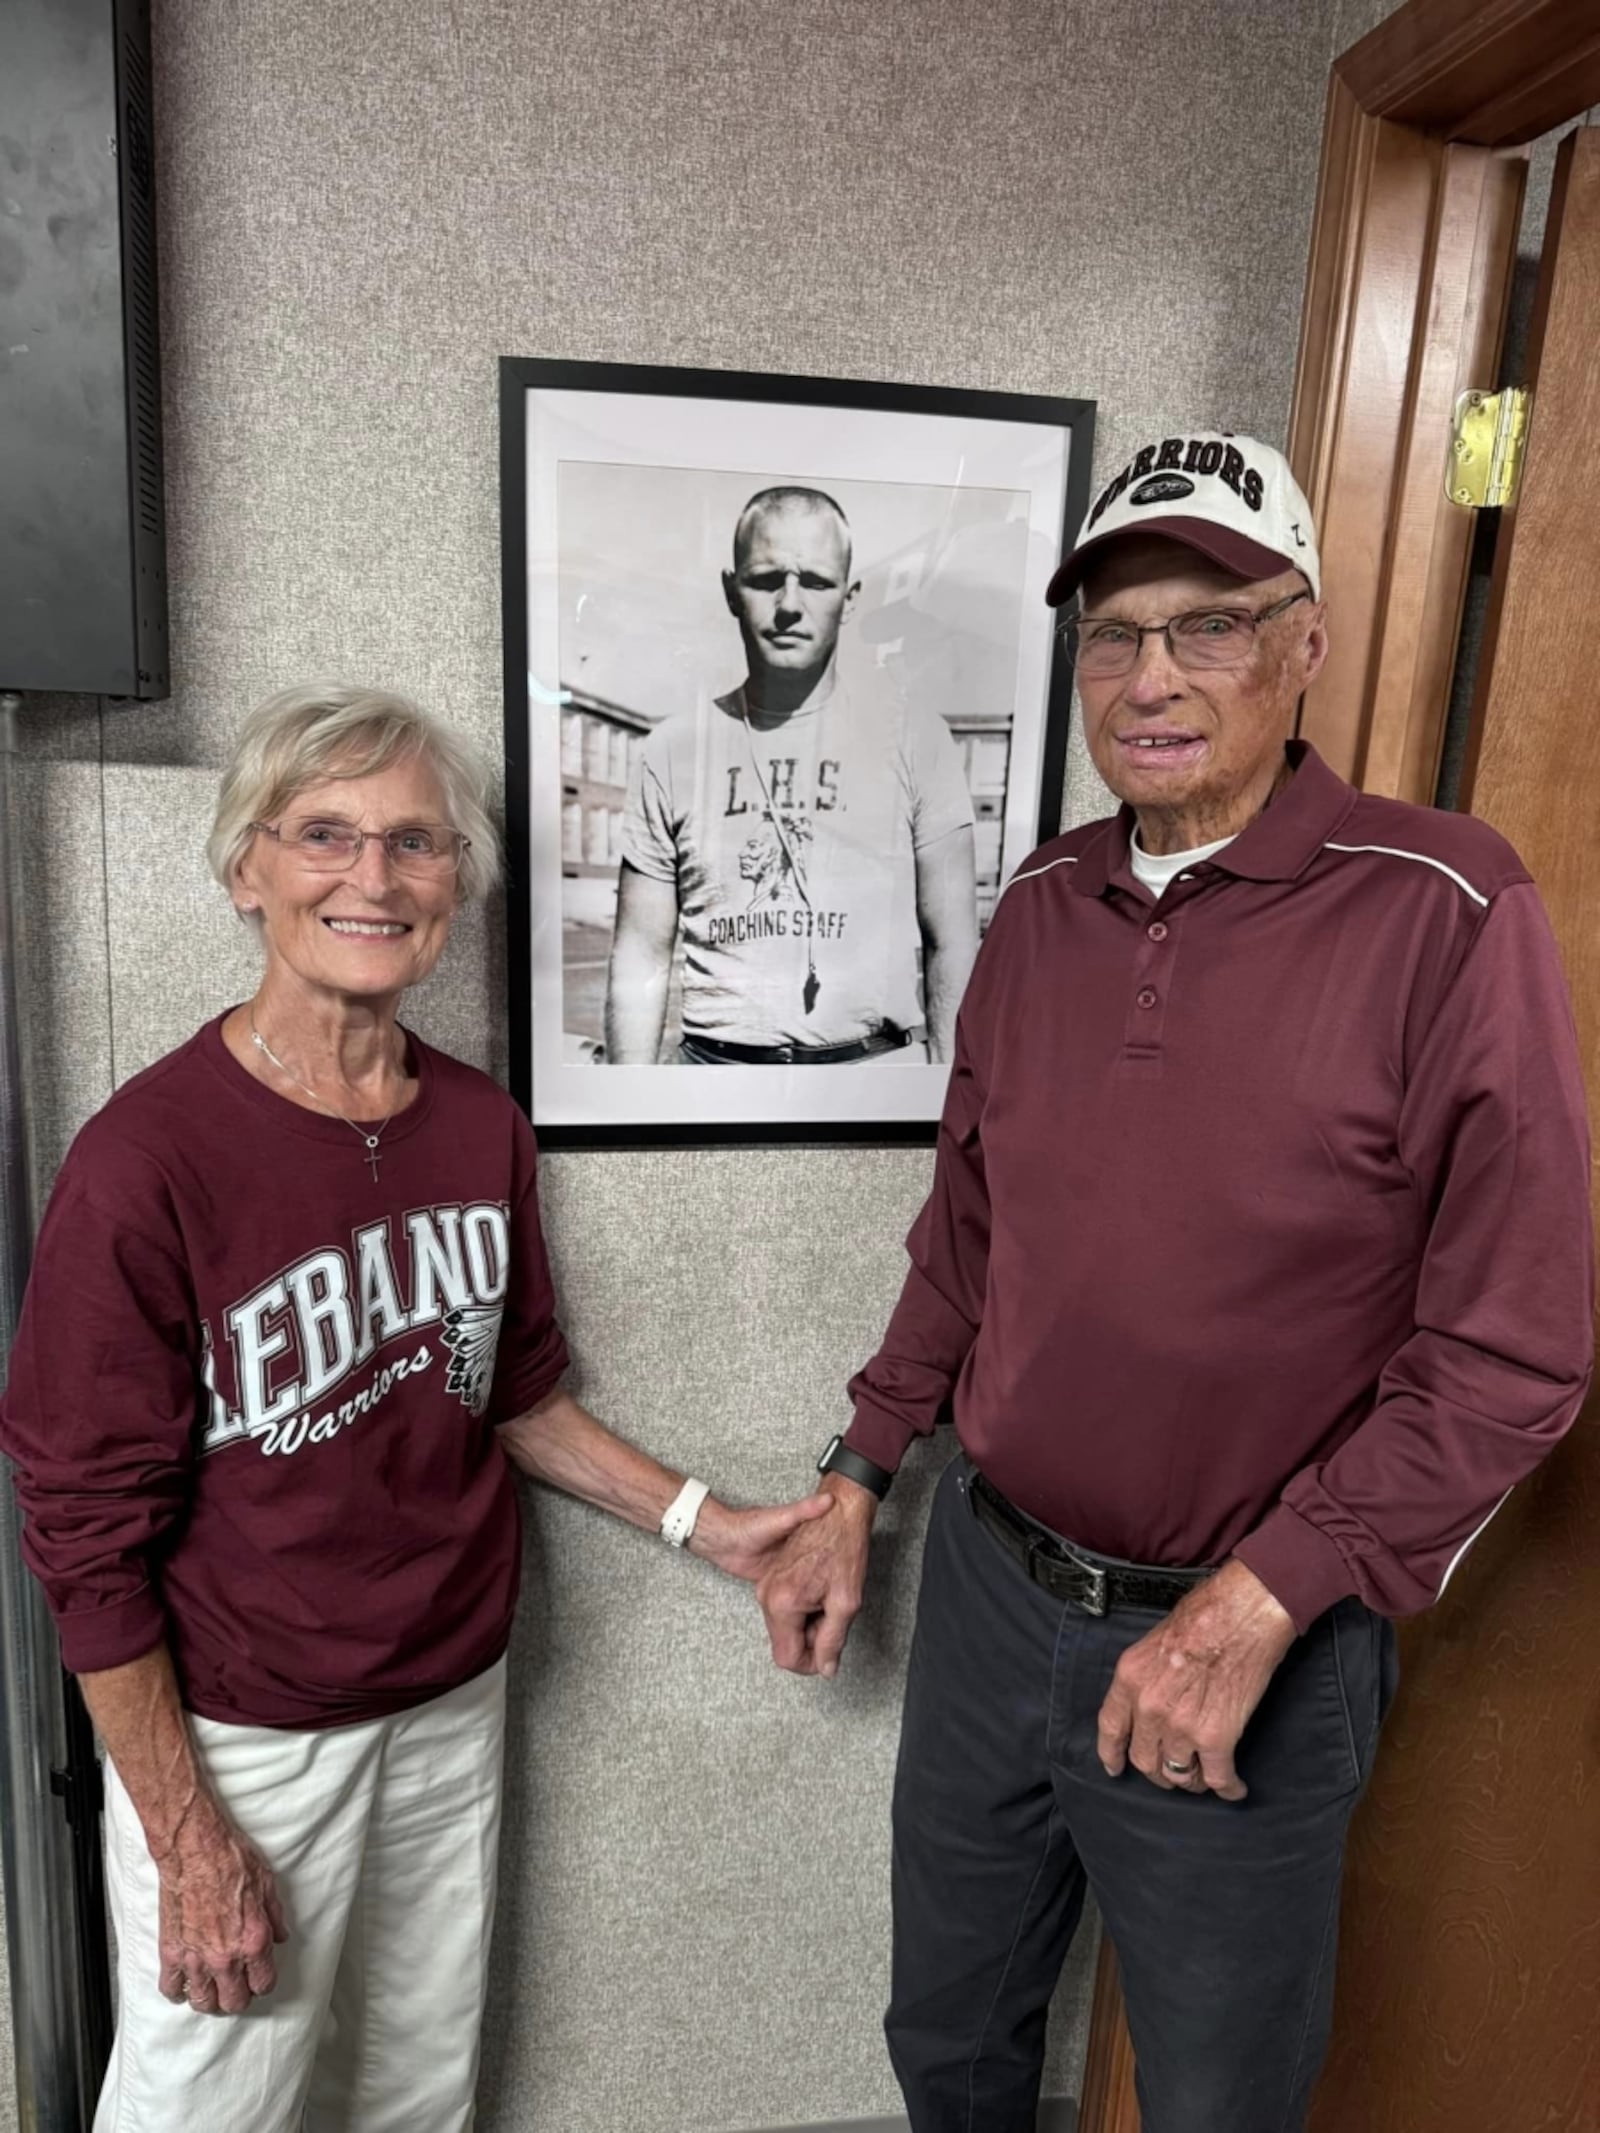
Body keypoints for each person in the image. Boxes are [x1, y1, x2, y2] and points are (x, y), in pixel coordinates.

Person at [754, 435, 1594, 2133]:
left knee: (1216, 2094)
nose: (1153, 676)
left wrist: (1265, 1596)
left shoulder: (1447, 904)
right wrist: (860, 1469)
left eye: (1209, 625)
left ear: (1307, 642)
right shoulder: (1045, 904)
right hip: (996, 1597)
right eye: (1117, 634)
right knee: (951, 2044)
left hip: (1247, 1638)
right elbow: (967, 1240)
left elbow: (1518, 1350)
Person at [0, 684, 829, 2133]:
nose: (372, 877)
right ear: (244, 867)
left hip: (452, 1699)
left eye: (416, 843)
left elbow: (508, 1391)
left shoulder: (474, 1125)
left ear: (461, 882)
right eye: (322, 833)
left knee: (412, 2090)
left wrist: (712, 1526)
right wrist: (186, 1831)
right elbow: (79, 1532)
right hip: (246, 1734)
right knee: (209, 2104)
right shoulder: (147, 1158)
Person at [605, 484, 980, 1065]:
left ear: (850, 598)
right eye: (765, 579)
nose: (788, 604)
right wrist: (630, 1109)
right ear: (732, 591)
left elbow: (953, 943)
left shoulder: (914, 736)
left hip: (872, 1074)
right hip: (715, 1075)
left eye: (816, 581)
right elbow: (641, 952)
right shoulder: (674, 749)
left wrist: (947, 1103)